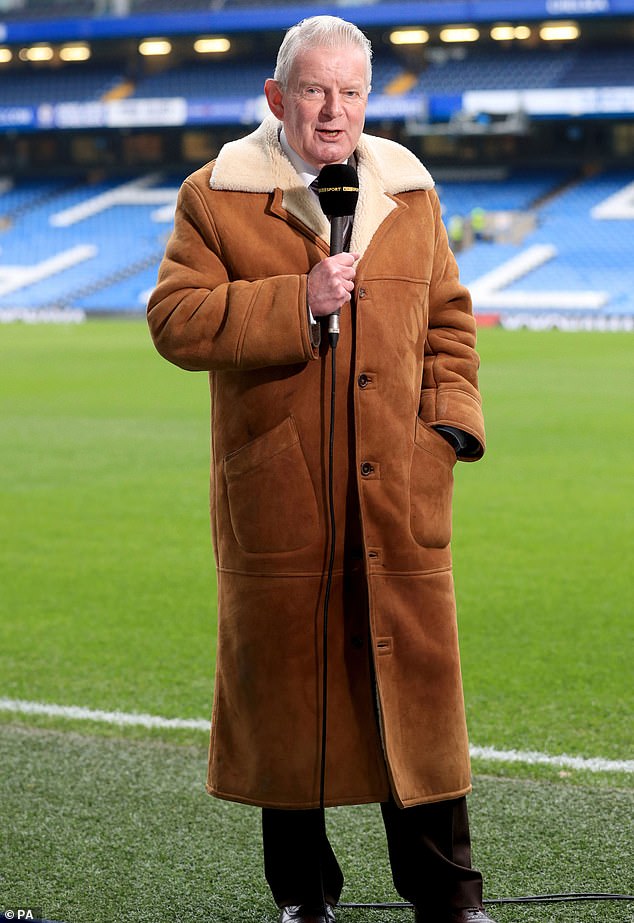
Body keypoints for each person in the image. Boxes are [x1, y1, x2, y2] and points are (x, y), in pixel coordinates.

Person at [147, 15, 494, 923]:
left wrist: (446, 429)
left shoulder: (411, 193)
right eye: (313, 90)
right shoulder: (214, 194)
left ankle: (449, 895)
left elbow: (451, 322)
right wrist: (292, 299)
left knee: (413, 687)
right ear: (277, 97)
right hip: (279, 493)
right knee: (287, 693)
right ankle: (303, 896)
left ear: (368, 102)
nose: (332, 111)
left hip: (400, 489)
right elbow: (175, 319)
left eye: (349, 93)